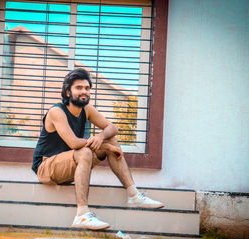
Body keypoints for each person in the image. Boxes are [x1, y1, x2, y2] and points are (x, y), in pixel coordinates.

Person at [32, 68, 164, 230]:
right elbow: (73, 143)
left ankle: (133, 194)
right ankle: (82, 214)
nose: (84, 92)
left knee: (110, 137)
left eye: (87, 88)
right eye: (78, 88)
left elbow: (112, 127)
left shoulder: (86, 109)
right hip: (46, 167)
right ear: (67, 92)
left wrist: (101, 138)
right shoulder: (56, 112)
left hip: (69, 165)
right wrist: (106, 147)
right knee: (88, 150)